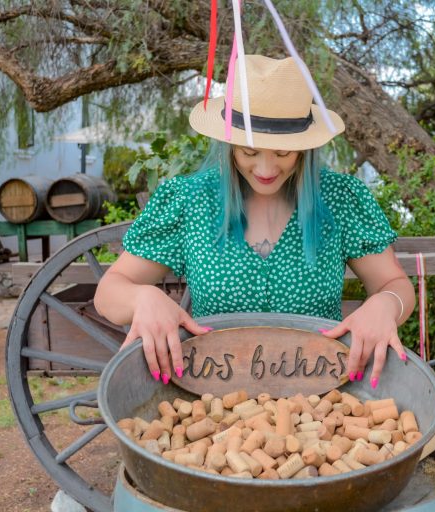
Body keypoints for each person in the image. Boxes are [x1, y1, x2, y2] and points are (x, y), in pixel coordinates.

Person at [94, 55, 415, 390]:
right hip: (210, 398)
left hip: (323, 397)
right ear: (229, 144)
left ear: (304, 148)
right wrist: (142, 299)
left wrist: (385, 304)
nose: (265, 169)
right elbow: (109, 293)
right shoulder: (188, 200)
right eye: (249, 152)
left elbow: (394, 283)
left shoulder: (339, 199)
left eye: (282, 153)